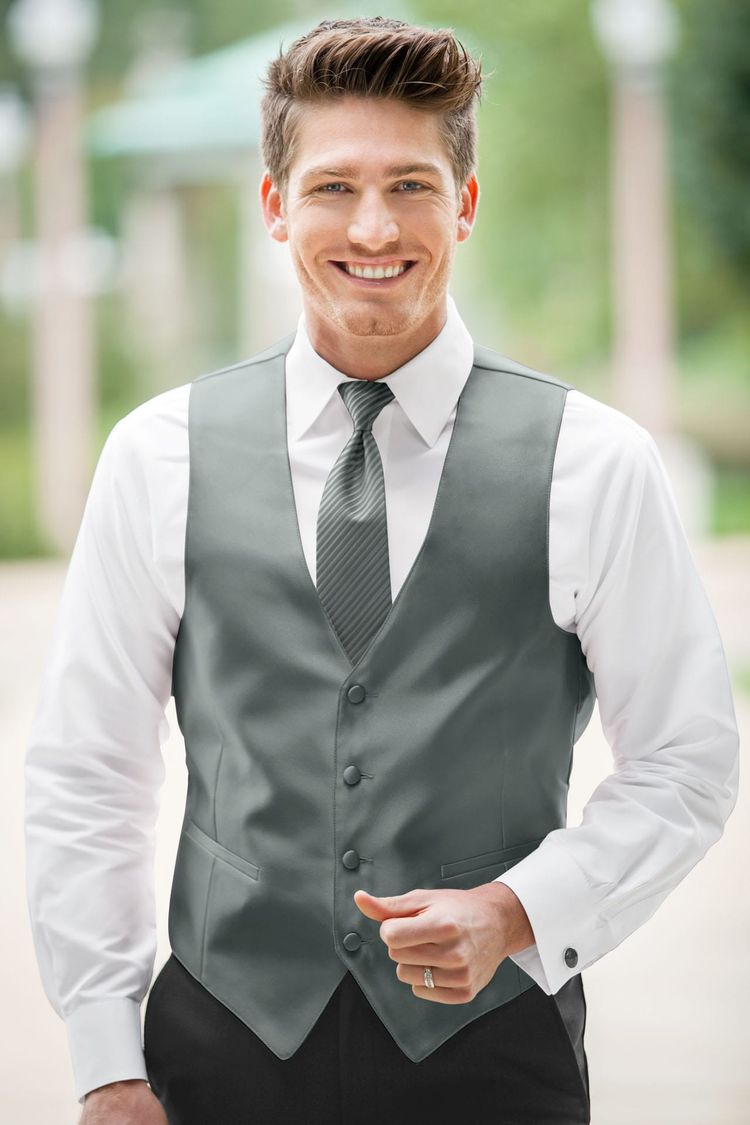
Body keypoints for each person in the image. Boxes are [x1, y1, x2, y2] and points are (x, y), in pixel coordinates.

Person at [24, 15, 739, 1125]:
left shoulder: (593, 465)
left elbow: (688, 760)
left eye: (410, 184)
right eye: (331, 187)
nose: (372, 226)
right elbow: (88, 773)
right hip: (217, 1048)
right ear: (275, 206)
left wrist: (516, 910)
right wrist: (107, 1060)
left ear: (465, 201)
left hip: (495, 1053)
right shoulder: (157, 455)